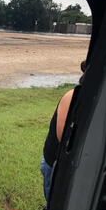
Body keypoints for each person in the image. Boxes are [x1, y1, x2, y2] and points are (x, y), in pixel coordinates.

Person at [40, 60, 87, 202]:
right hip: (55, 163)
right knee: (54, 206)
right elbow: (63, 137)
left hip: (74, 165)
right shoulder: (72, 96)